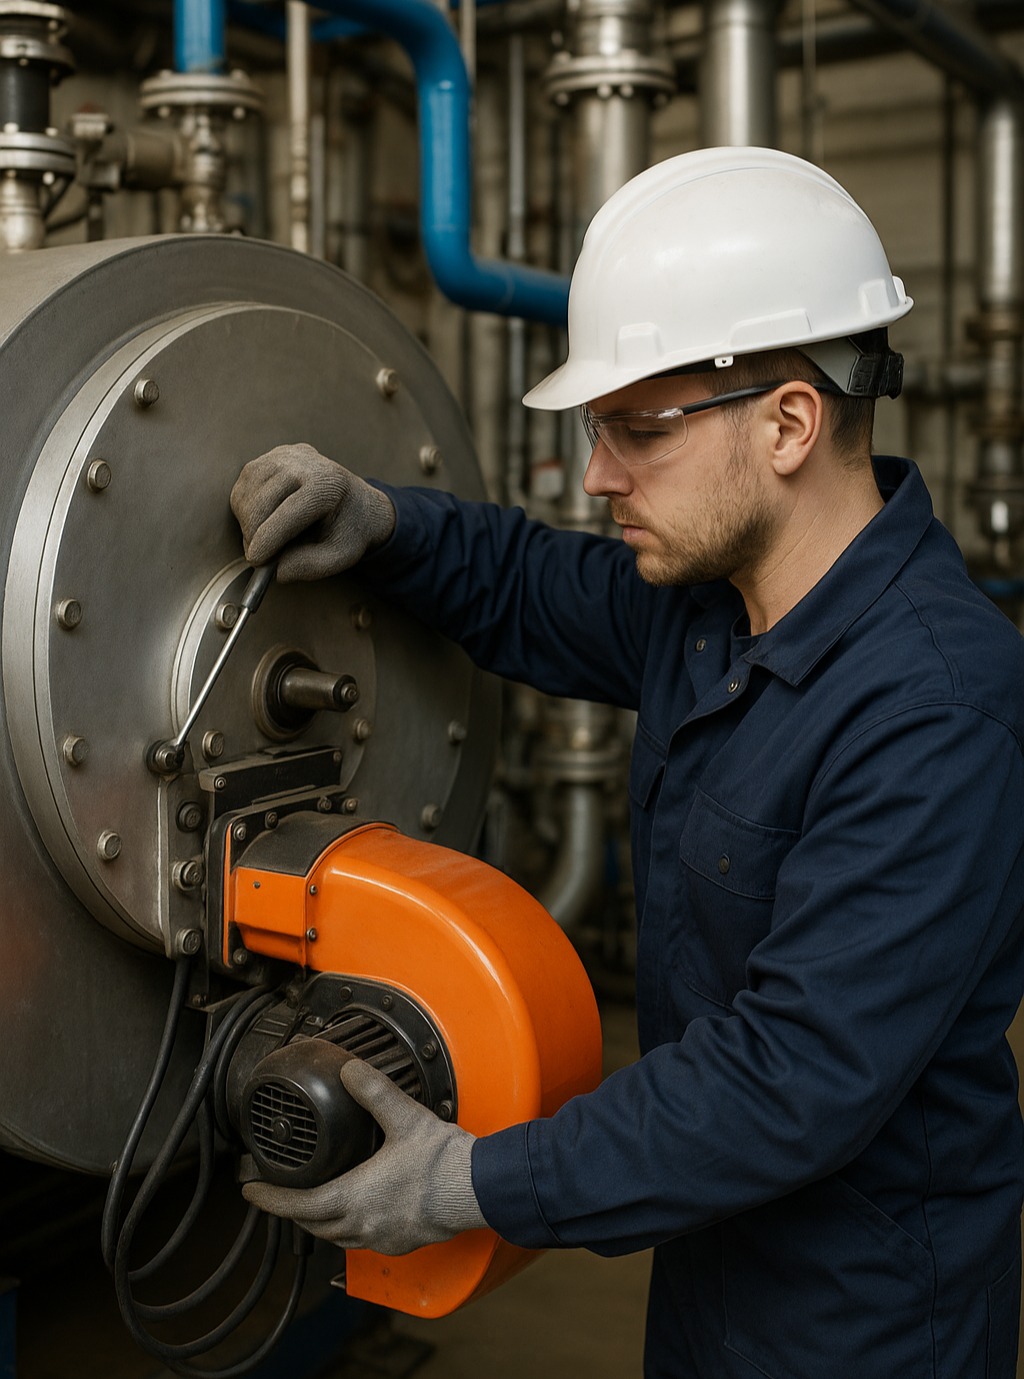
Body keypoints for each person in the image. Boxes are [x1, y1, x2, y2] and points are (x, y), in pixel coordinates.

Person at [232, 147, 1024, 1379]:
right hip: (711, 1259)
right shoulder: (708, 605)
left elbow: (786, 1081)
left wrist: (473, 1179)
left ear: (788, 422)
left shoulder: (936, 706)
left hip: (861, 1315)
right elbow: (531, 581)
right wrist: (384, 521)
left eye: (636, 431)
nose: (597, 474)